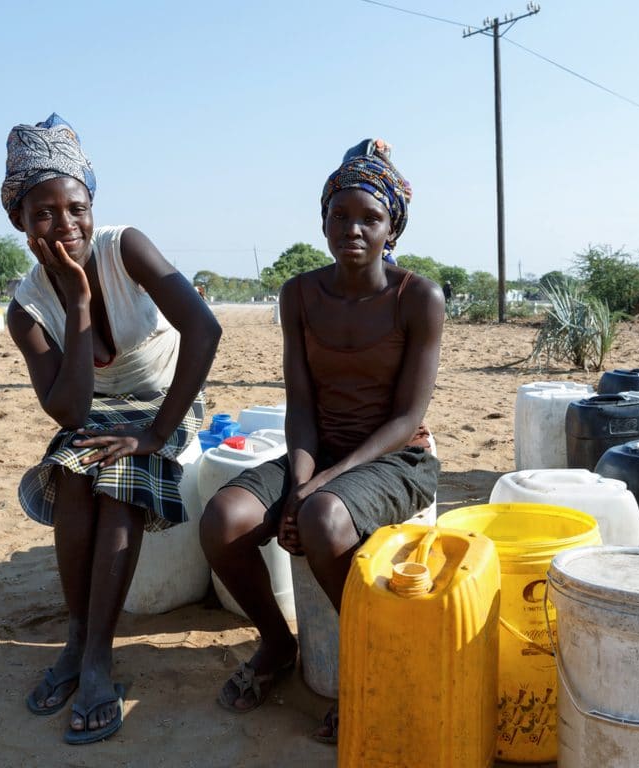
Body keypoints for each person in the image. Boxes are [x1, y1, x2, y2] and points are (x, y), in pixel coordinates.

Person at [199, 139, 444, 743]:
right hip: (319, 451)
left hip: (397, 458)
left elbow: (406, 417)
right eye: (341, 215)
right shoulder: (300, 294)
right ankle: (278, 645)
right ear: (323, 220)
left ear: (393, 229)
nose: (353, 229)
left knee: (324, 521)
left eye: (371, 218)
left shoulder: (418, 298)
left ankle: (370, 667)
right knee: (222, 520)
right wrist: (298, 486)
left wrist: (315, 490)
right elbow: (302, 405)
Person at [2, 113, 221, 745]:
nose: (64, 225)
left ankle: (97, 656)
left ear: (92, 205)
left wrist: (157, 431)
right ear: (20, 220)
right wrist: (74, 302)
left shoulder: (126, 248)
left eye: (76, 207)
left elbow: (204, 330)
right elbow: (69, 412)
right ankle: (76, 641)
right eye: (43, 212)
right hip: (93, 412)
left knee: (119, 478)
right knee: (74, 476)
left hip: (165, 401)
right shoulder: (28, 307)